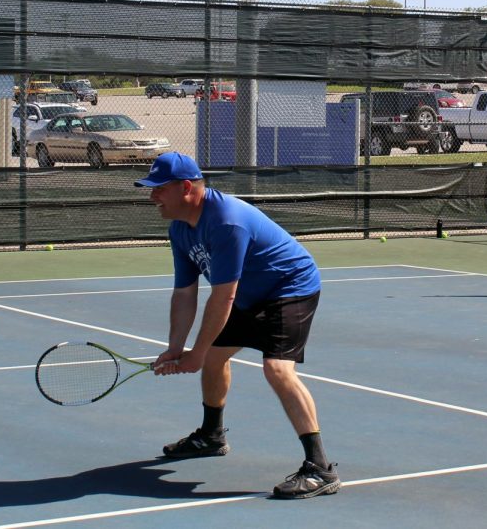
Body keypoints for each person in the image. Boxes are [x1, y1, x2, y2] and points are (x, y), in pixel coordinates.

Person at [134, 152, 340, 499]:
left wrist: (195, 354)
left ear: (186, 188)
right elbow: (185, 294)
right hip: (248, 293)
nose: (153, 196)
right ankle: (212, 436)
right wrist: (175, 347)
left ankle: (320, 469)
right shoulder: (180, 229)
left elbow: (222, 298)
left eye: (159, 189)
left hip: (289, 288)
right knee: (215, 358)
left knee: (277, 369)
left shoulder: (226, 221)